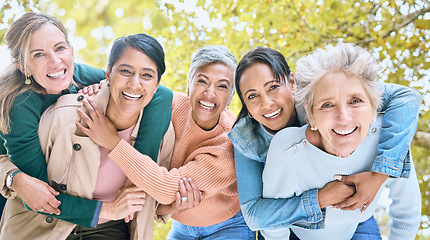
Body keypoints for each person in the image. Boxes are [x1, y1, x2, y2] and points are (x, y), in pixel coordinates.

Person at [0, 33, 187, 240]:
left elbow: (163, 94)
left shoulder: (160, 129)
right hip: (42, 223)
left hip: (108, 228)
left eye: (59, 48)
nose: (54, 61)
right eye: (38, 54)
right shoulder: (25, 107)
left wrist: (145, 185)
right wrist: (14, 179)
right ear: (23, 66)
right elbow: (40, 198)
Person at [227, 46, 421, 238]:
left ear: (292, 83)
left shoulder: (323, 92)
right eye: (252, 96)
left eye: (273, 87)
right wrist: (320, 198)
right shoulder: (249, 140)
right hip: (298, 223)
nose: (267, 102)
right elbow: (255, 215)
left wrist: (379, 175)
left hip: (353, 215)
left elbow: (404, 97)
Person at [76, 45, 256, 239]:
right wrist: (102, 83)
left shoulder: (229, 145)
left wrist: (113, 143)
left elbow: (166, 188)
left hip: (225, 225)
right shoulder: (171, 105)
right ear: (189, 85)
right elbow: (140, 85)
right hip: (181, 224)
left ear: (231, 96)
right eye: (202, 81)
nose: (209, 93)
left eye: (222, 86)